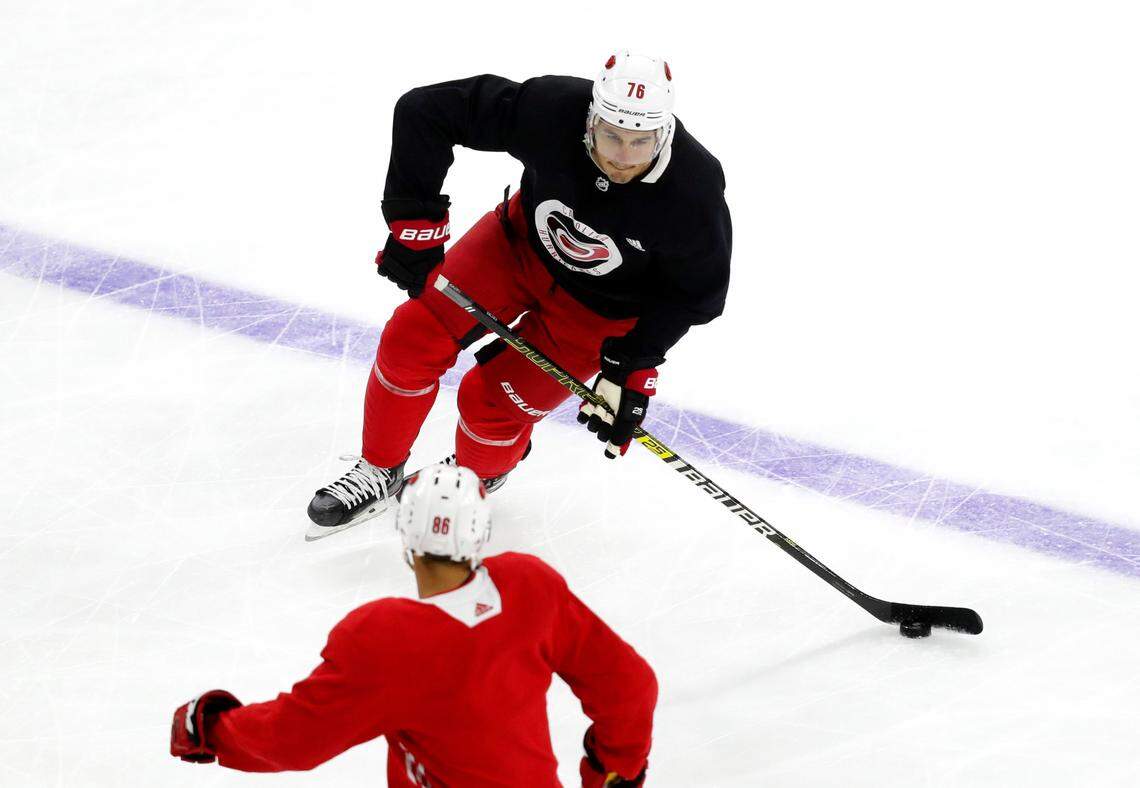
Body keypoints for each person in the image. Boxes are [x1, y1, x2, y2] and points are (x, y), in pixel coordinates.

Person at [306, 50, 732, 540]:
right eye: (611, 135)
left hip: (596, 315)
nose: (622, 155)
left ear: (664, 133)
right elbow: (426, 111)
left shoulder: (693, 191)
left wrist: (632, 367)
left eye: (640, 143)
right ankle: (380, 468)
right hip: (514, 250)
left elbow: (696, 295)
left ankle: (476, 476)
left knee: (490, 404)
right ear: (590, 118)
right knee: (411, 339)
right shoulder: (552, 109)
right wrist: (415, 225)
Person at [172, 463, 657, 786]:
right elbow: (630, 687)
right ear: (480, 532)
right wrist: (613, 774)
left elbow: (294, 739)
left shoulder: (384, 639)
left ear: (405, 533)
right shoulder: (530, 586)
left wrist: (211, 730)